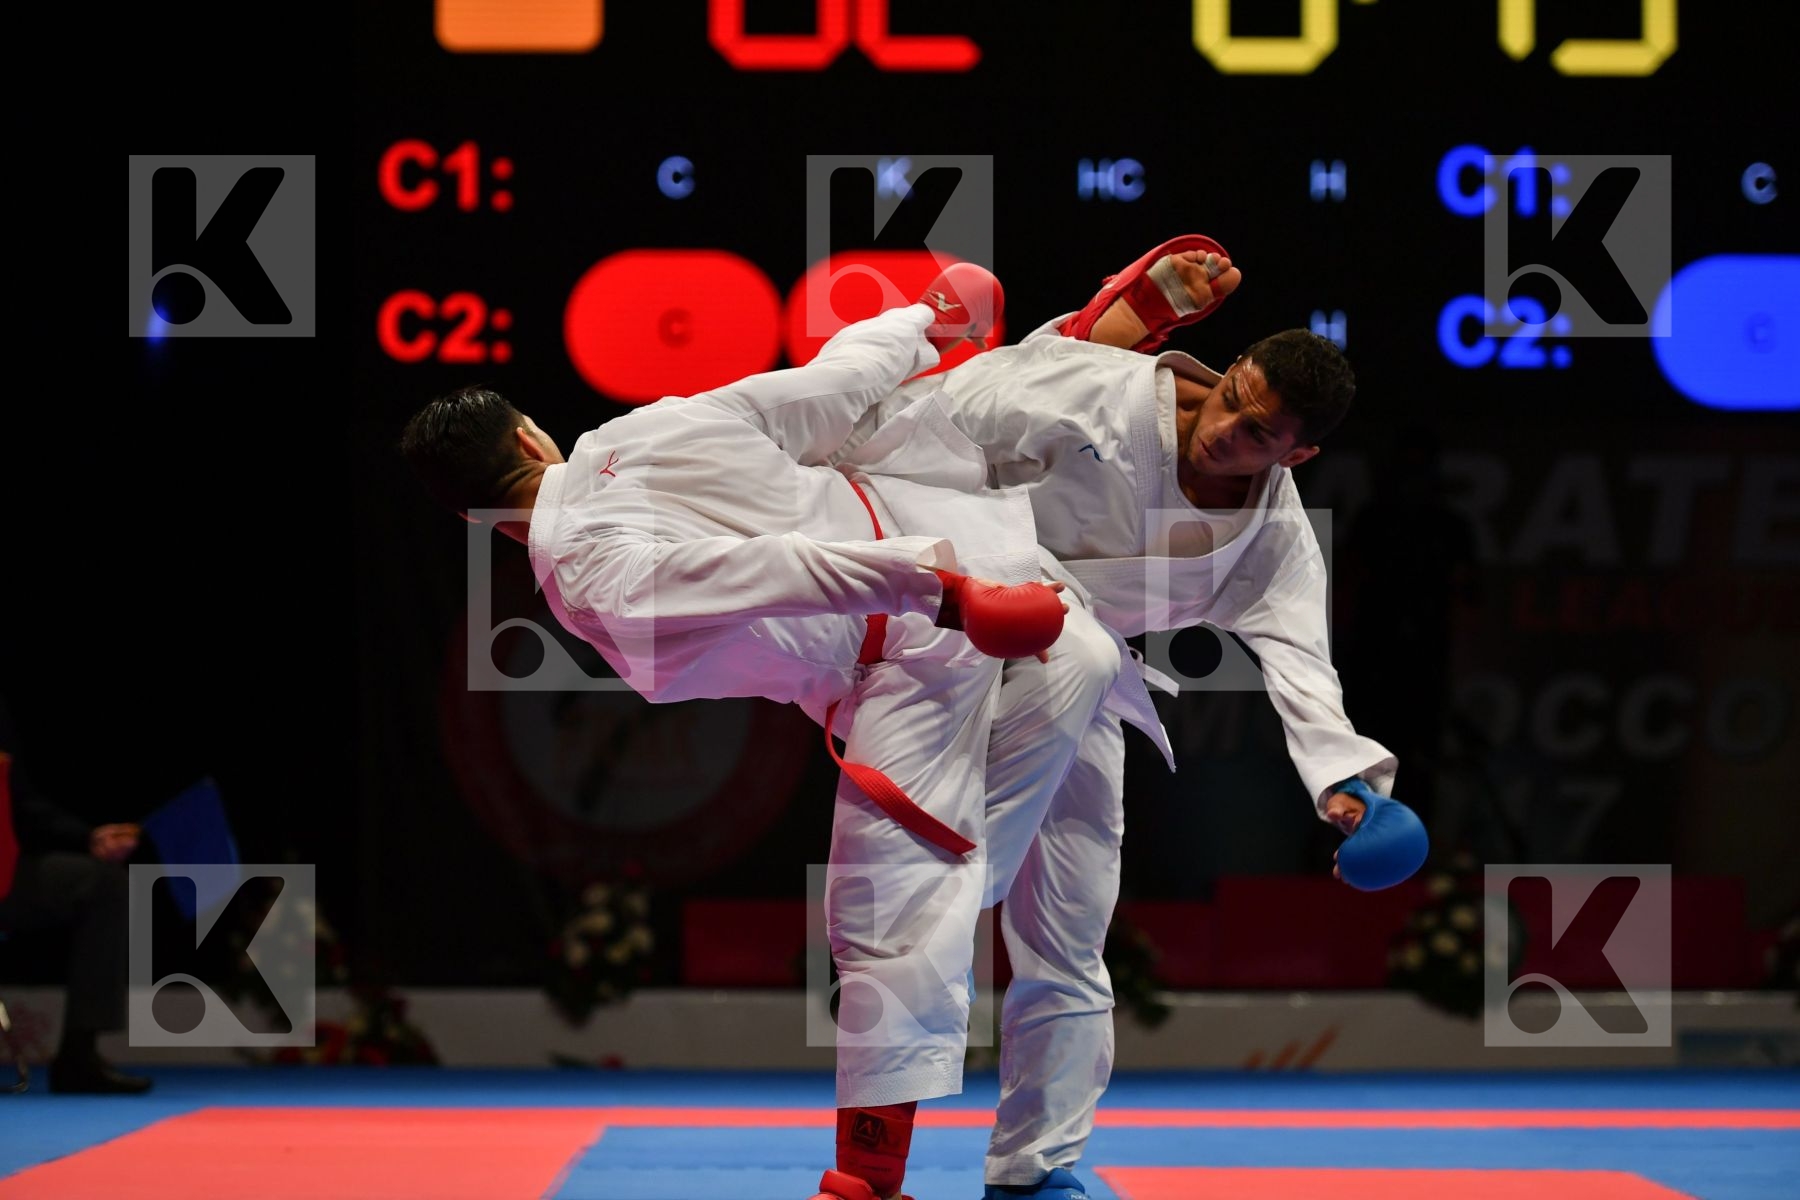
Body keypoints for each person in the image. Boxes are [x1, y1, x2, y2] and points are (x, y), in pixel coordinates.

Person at [401, 274, 1173, 1200]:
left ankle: (870, 1179)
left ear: (467, 515)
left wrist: (943, 594)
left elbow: (772, 570)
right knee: (1067, 907)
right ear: (531, 434)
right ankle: (1039, 1165)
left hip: (921, 649)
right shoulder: (637, 434)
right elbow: (830, 381)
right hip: (1008, 573)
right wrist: (920, 312)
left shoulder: (583, 574)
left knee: (894, 919)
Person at [830, 238, 1410, 1198]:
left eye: (1261, 433)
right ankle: (930, 943)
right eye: (1232, 396)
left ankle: (1039, 1165)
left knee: (1069, 934)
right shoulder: (1105, 391)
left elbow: (1303, 659)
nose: (1228, 428)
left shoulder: (1274, 539)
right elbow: (953, 405)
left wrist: (1348, 783)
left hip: (1082, 676)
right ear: (1228, 373)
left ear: (1300, 453)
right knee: (931, 901)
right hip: (958, 629)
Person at [0, 695, 153, 1094]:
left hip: (5, 875)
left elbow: (23, 805)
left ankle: (78, 1058)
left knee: (103, 883)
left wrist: (88, 838)